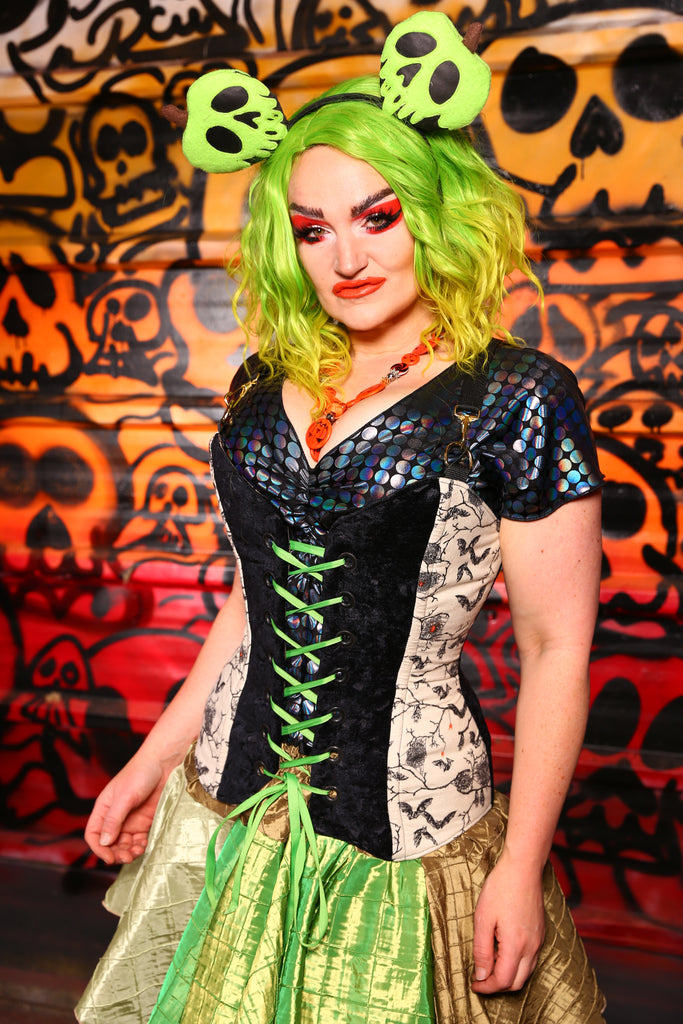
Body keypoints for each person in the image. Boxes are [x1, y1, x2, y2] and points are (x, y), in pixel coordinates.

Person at [77, 13, 605, 1024]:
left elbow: (554, 647)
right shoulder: (257, 383)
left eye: (376, 216)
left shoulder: (515, 396)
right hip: (229, 813)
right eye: (312, 229)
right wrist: (150, 762)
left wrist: (519, 862)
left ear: (433, 212)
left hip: (409, 840)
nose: (345, 257)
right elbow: (251, 608)